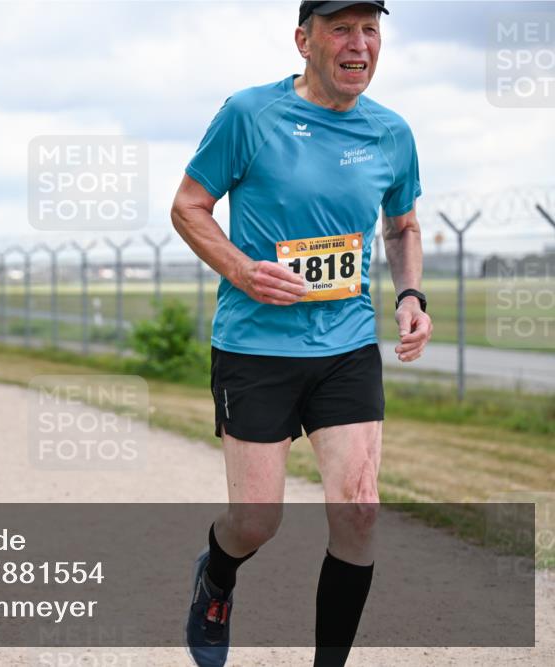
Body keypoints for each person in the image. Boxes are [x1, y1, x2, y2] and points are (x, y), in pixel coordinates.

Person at [171, 3, 431, 666]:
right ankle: (218, 576)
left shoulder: (391, 133)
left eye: (370, 29)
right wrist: (240, 269)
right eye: (341, 29)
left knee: (360, 510)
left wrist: (409, 295)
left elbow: (401, 227)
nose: (359, 44)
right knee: (257, 520)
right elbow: (188, 207)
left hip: (345, 347)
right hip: (255, 348)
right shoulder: (249, 115)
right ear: (303, 40)